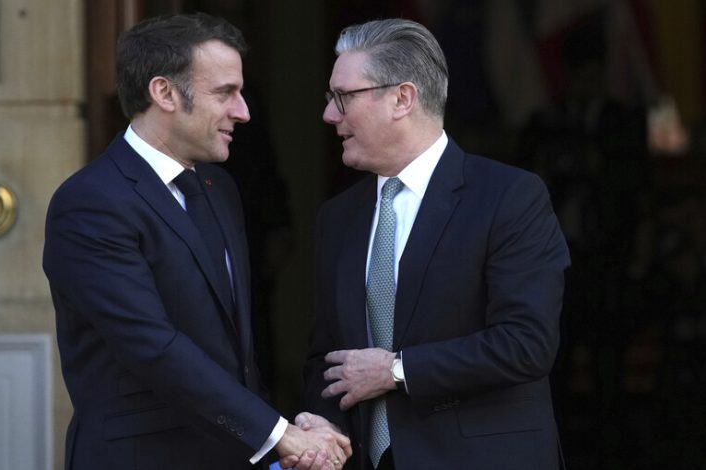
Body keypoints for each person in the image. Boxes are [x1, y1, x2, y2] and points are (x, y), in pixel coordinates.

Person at [43, 13, 350, 470]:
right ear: (164, 93)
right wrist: (279, 434)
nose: (243, 111)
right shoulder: (90, 203)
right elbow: (152, 346)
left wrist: (273, 444)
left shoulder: (218, 189)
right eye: (225, 93)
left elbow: (236, 354)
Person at [303, 18, 570, 469]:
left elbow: (526, 343)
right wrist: (324, 424)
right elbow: (328, 359)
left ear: (402, 99)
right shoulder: (338, 217)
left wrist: (395, 370)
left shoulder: (508, 197)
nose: (330, 114)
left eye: (343, 96)